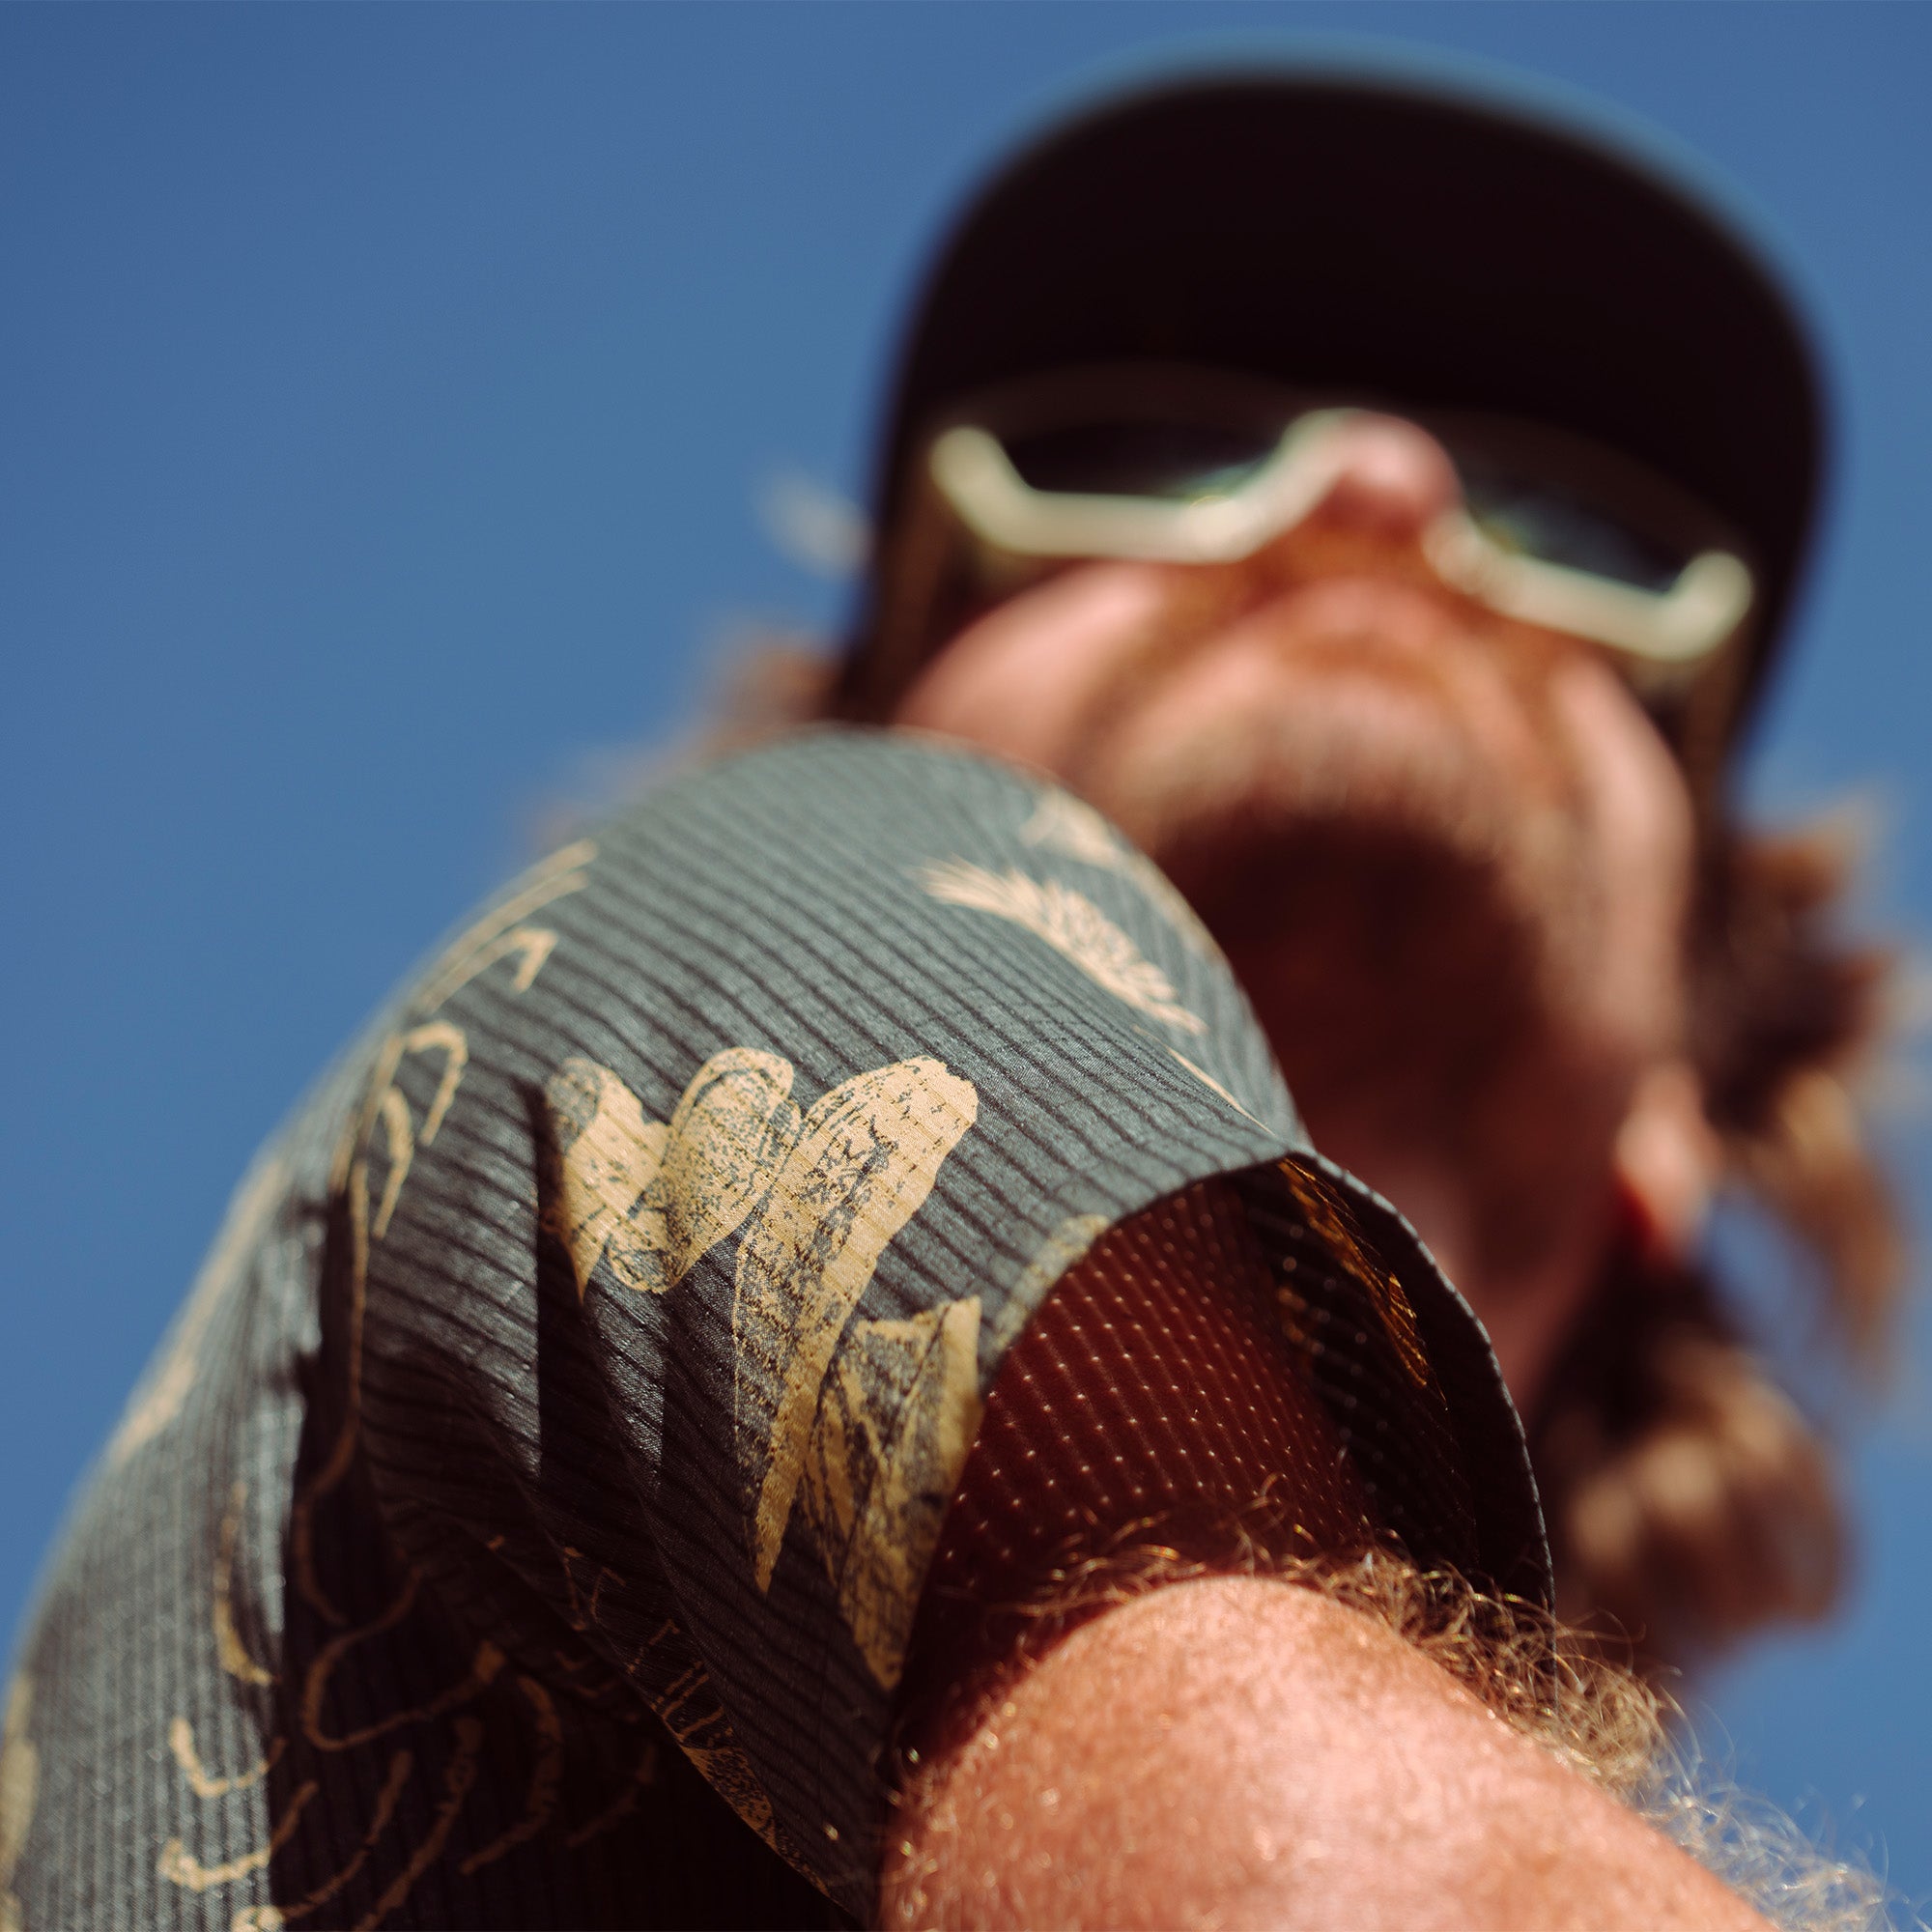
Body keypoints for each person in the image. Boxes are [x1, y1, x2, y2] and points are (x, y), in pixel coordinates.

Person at [0, 64, 1897, 1932]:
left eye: (1581, 539)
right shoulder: (774, 894)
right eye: (1141, 455)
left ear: (1681, 1118)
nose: (1382, 483)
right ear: (875, 744)